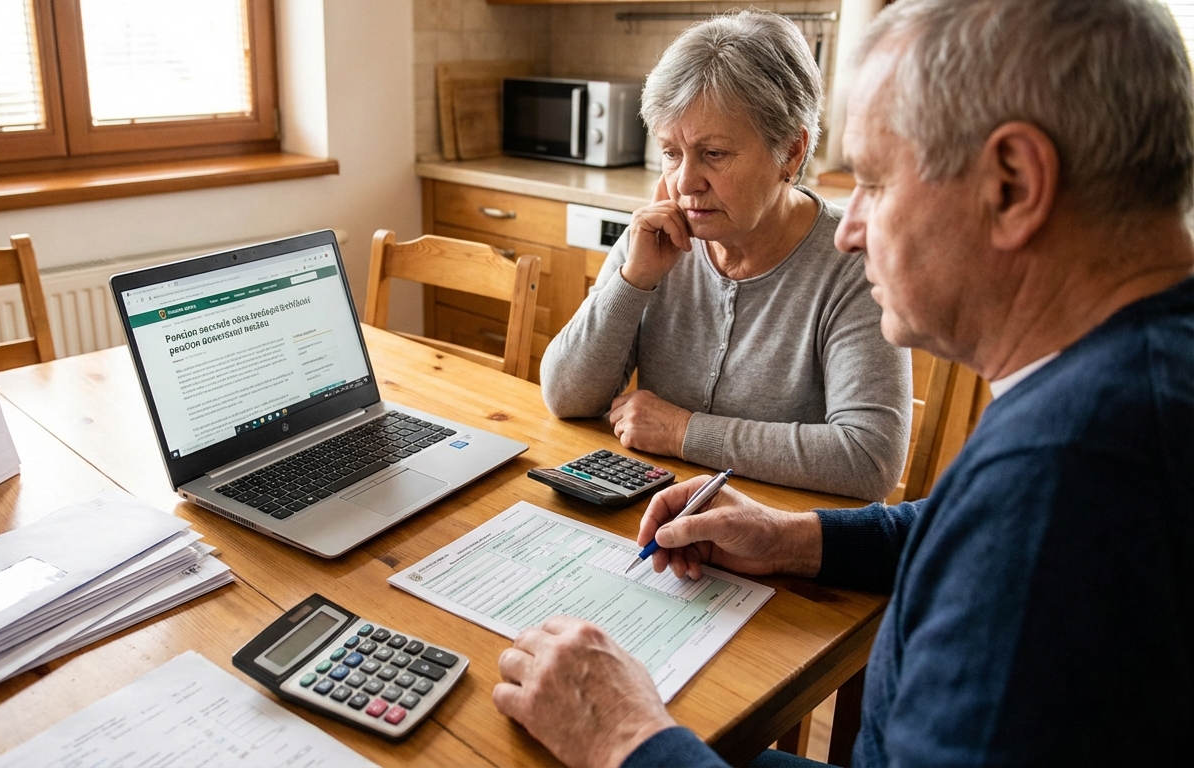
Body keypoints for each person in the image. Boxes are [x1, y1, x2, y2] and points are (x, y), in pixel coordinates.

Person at [494, 0, 1194, 765]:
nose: (852, 227)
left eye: (875, 182)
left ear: (1014, 183)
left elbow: (997, 526)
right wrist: (796, 538)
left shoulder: (1072, 477)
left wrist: (628, 740)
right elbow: (960, 528)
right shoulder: (1125, 384)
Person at [539, 11, 911, 502]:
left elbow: (869, 459)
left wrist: (682, 431)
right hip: (660, 523)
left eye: (713, 153)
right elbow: (565, 398)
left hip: (790, 550)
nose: (685, 183)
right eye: (671, 153)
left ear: (791, 153)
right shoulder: (658, 236)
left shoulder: (851, 260)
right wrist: (634, 281)